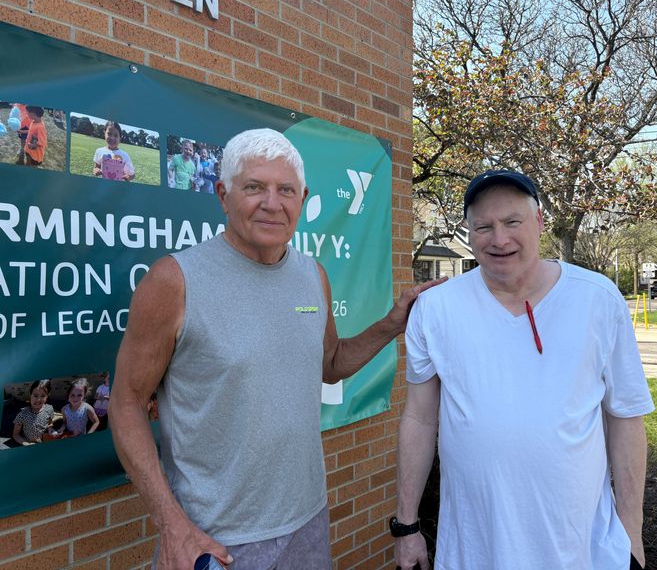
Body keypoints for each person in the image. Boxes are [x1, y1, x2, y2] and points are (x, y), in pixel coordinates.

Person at [110, 127, 443, 570]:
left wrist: (391, 325)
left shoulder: (313, 275)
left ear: (302, 199)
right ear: (223, 195)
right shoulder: (174, 281)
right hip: (215, 541)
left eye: (286, 190)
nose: (272, 203)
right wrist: (172, 525)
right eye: (254, 187)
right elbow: (126, 403)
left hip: (308, 524)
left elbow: (330, 363)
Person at [393, 170, 654, 570]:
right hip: (473, 550)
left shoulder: (597, 299)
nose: (499, 239)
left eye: (512, 221)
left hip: (581, 551)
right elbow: (420, 419)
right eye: (484, 227)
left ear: (539, 221)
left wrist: (631, 533)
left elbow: (626, 418)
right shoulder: (436, 308)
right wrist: (407, 526)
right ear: (469, 233)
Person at [12, 379, 55, 446]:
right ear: (30, 394)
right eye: (35, 395)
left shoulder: (49, 408)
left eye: (43, 396)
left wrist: (50, 428)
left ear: (47, 396)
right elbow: (15, 435)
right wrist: (26, 443)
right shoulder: (22, 414)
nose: (38, 399)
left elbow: (50, 422)